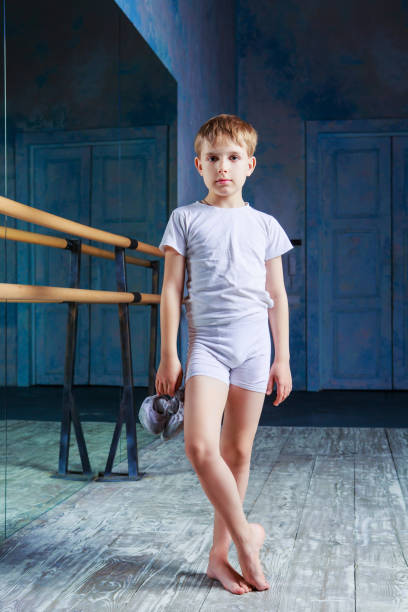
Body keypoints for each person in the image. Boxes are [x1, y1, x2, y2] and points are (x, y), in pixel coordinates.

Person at [156, 113, 294, 595]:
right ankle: (246, 539)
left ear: (250, 165)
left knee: (237, 453)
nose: (223, 167)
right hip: (207, 346)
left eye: (233, 158)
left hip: (256, 348)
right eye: (213, 158)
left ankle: (219, 557)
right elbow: (171, 291)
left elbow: (276, 296)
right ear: (199, 164)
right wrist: (169, 354)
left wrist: (283, 360)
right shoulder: (185, 219)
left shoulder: (266, 226)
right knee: (200, 447)